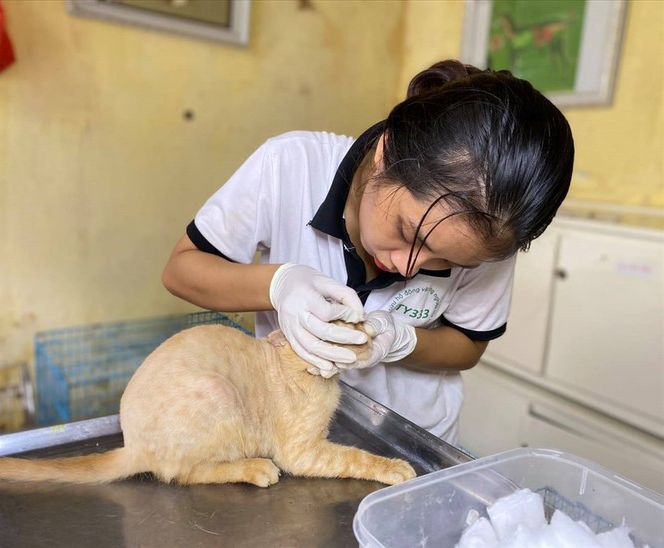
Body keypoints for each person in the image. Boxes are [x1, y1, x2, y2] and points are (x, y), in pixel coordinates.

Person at [162, 59, 574, 444]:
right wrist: (277, 284)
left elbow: (468, 345)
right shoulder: (290, 165)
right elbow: (182, 270)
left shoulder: (487, 231)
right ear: (385, 154)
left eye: (446, 262)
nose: (408, 266)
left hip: (415, 439)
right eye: (408, 231)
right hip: (291, 427)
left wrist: (401, 341)